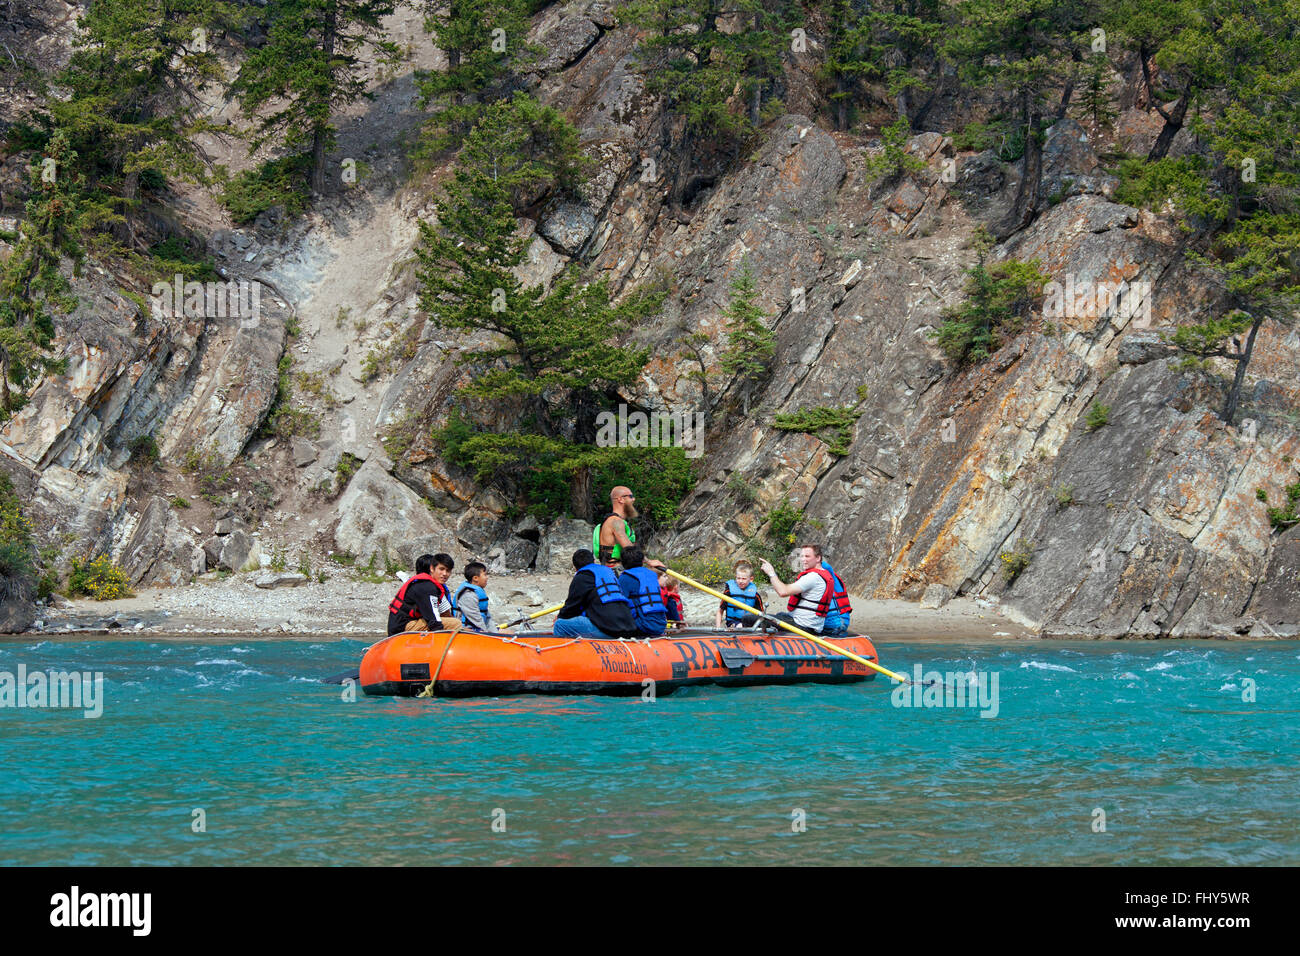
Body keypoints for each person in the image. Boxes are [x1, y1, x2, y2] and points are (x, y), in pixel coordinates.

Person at [554, 548, 639, 638]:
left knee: (560, 625)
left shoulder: (582, 576)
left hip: (610, 630)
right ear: (594, 561)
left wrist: (560, 616)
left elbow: (571, 607)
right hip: (629, 626)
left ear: (575, 568)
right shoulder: (610, 573)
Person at [758, 544, 835, 635]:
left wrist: (771, 572)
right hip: (806, 623)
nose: (803, 560)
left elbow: (783, 592)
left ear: (818, 558)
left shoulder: (813, 577)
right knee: (778, 615)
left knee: (749, 618)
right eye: (802, 556)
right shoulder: (820, 574)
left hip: (803, 626)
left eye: (807, 556)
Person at [387, 553, 458, 636]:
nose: (445, 574)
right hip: (401, 628)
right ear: (432, 568)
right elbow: (434, 620)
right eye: (441, 569)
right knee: (455, 623)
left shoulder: (426, 584)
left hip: (399, 625)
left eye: (448, 571)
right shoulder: (427, 587)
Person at [617, 545, 668, 636]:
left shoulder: (625, 578)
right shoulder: (652, 575)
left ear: (623, 562)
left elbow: (619, 604)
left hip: (642, 625)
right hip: (660, 624)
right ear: (642, 561)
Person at [594, 486, 637, 566]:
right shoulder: (616, 522)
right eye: (630, 496)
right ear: (620, 499)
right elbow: (630, 550)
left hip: (610, 569)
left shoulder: (615, 520)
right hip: (615, 572)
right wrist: (649, 562)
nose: (633, 499)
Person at [715, 560, 764, 629]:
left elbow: (762, 615)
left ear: (751, 579)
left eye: (744, 579)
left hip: (749, 623)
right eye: (738, 578)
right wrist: (718, 628)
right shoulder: (728, 592)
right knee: (740, 626)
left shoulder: (756, 596)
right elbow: (720, 611)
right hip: (733, 623)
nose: (740, 581)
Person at [453, 562, 493, 632]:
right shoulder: (468, 596)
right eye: (485, 575)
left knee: (508, 632)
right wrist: (487, 633)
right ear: (475, 578)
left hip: (479, 627)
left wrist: (494, 631)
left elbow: (487, 616)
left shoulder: (476, 593)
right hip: (468, 629)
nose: (487, 577)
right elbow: (476, 619)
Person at [819, 556, 853, 635]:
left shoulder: (832, 579)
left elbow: (827, 567)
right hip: (828, 622)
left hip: (838, 622)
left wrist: (814, 561)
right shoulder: (816, 583)